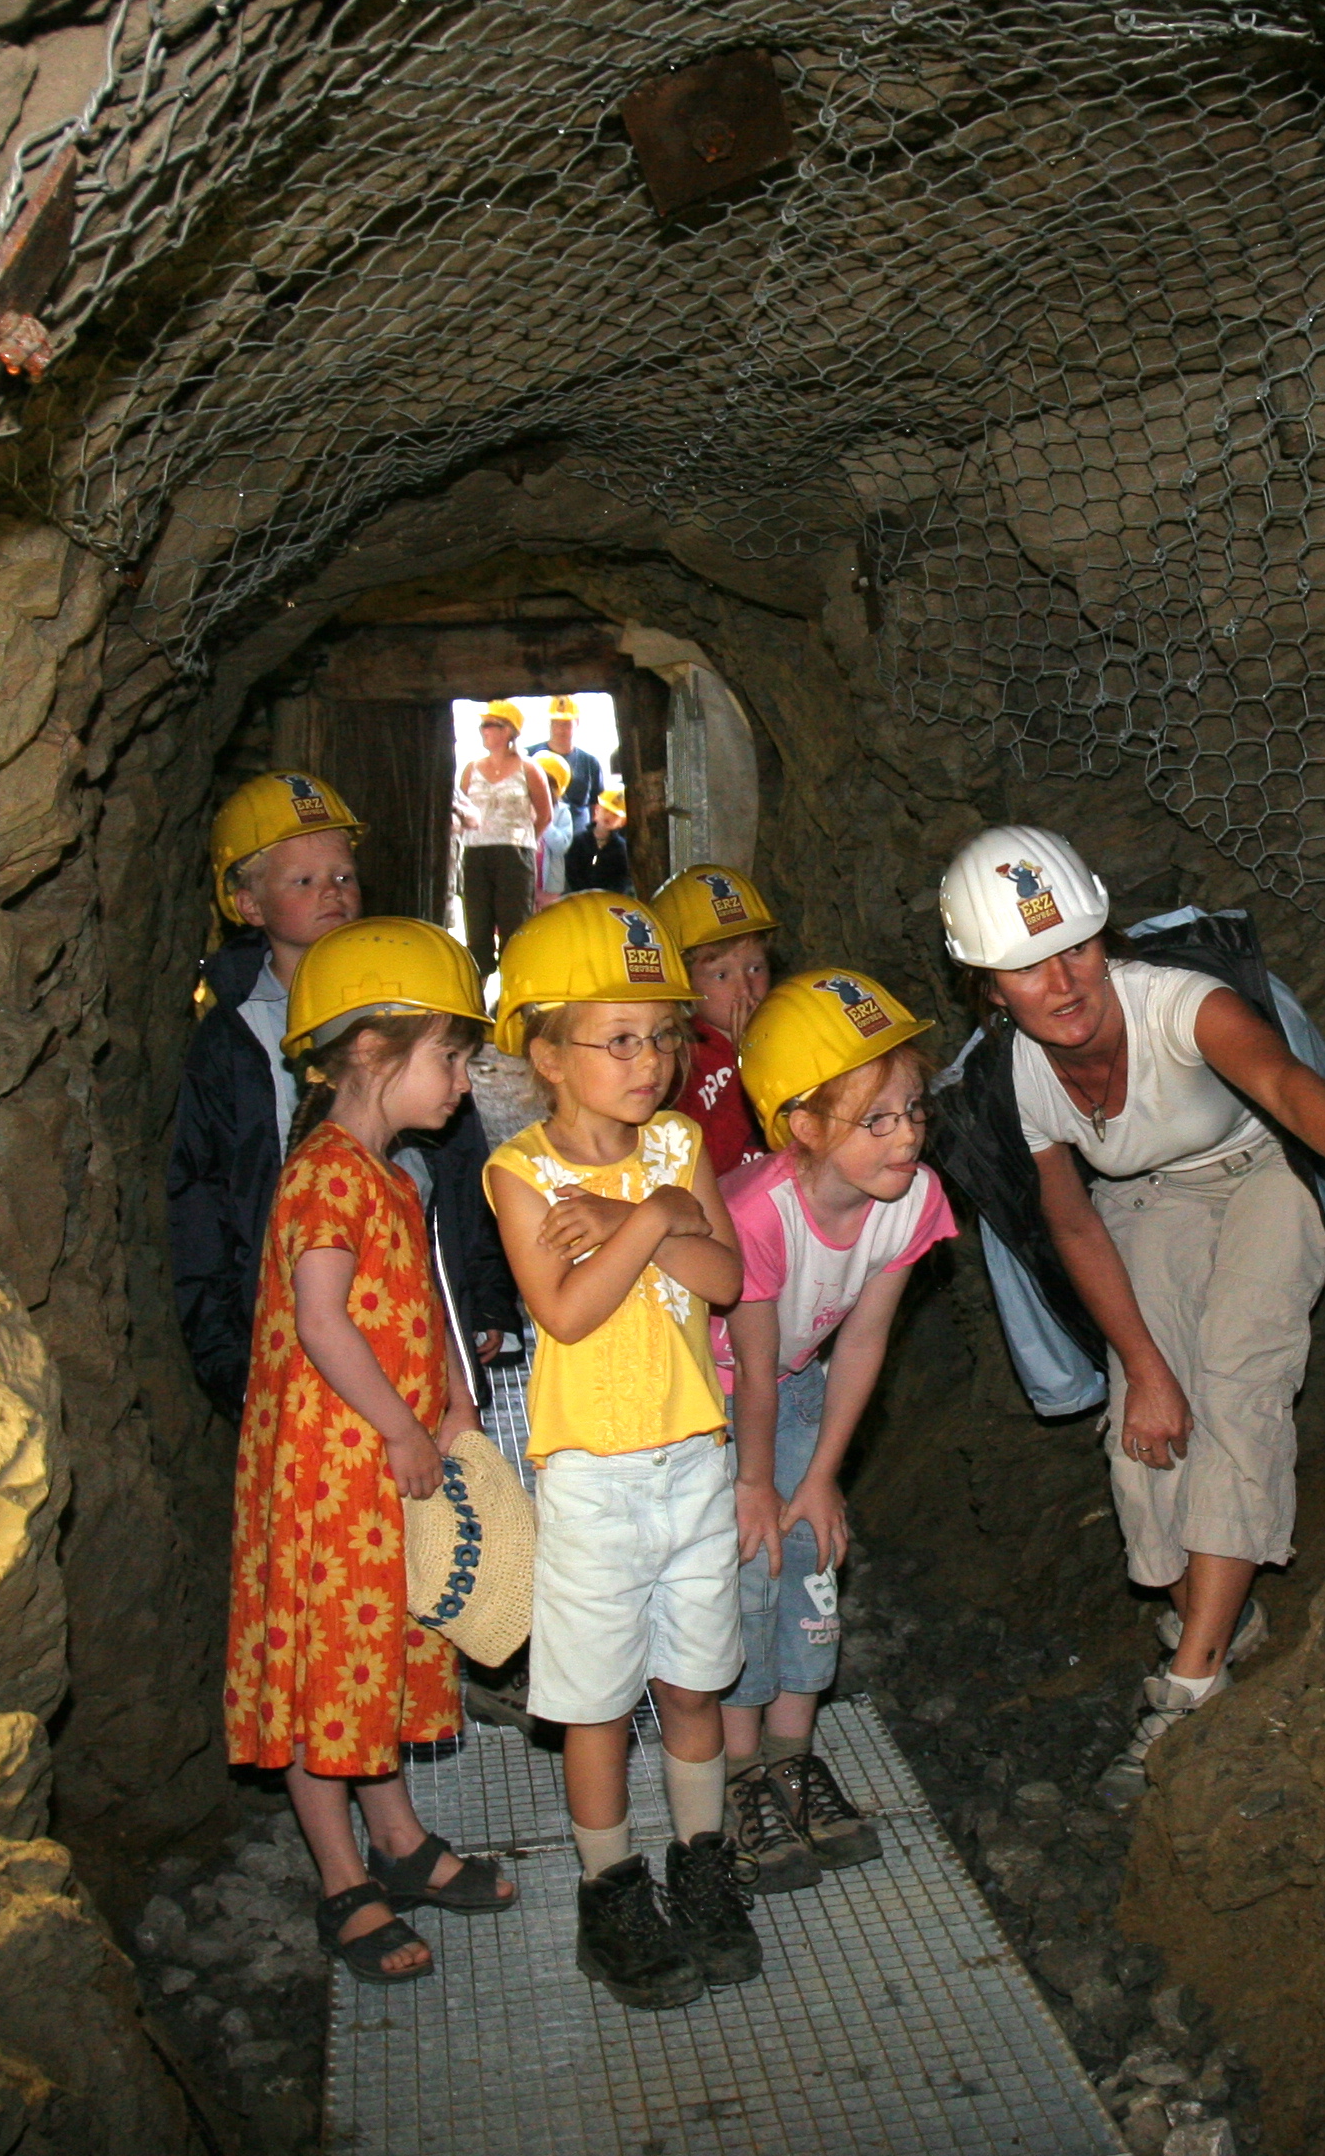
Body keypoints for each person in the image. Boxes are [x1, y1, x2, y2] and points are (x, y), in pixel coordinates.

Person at [932, 827, 1325, 1805]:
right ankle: (1219, 1616)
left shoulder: (1177, 1001)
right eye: (1025, 967)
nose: (1062, 981)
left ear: (1104, 936)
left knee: (1235, 1377)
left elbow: (1280, 1082)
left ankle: (1190, 1683)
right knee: (1146, 1411)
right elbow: (1074, 1223)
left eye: (1076, 947)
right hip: (1149, 1199)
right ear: (987, 985)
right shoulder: (1018, 1075)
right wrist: (1144, 1364)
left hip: (1267, 1166)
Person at [227, 918, 518, 1987]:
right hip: (325, 1469)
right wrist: (401, 1425)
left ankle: (396, 1838)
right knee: (322, 1671)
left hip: (379, 1467)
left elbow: (421, 1301)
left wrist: (451, 1401)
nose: (460, 1079)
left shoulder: (394, 1175)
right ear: (370, 1052)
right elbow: (322, 1319)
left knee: (377, 1651)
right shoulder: (325, 1175)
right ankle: (342, 1873)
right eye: (448, 1054)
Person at [481, 892, 755, 2011]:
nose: (651, 1062)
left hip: (694, 1455)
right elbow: (570, 1309)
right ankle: (613, 1892)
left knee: (693, 1682)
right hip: (593, 1476)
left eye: (664, 1036)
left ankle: (703, 1865)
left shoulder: (683, 1142)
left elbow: (731, 1278)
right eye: (620, 1039)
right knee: (594, 1704)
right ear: (547, 1053)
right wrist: (652, 1222)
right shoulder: (518, 1174)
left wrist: (640, 1211)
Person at [171, 772, 519, 1427]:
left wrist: (488, 1293)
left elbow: (463, 1162)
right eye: (303, 881)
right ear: (247, 903)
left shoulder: (408, 1000)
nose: (332, 892)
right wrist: (223, 1355)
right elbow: (200, 1197)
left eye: (343, 877)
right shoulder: (231, 1038)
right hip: (294, 1327)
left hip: (414, 1305)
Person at [712, 968, 954, 1889]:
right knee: (750, 1572)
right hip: (720, 1407)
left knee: (811, 1563)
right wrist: (759, 1485)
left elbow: (865, 1341)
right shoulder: (756, 1214)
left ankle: (790, 1757)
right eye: (877, 1120)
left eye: (914, 1111)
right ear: (804, 1125)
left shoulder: (913, 1200)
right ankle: (739, 1775)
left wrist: (819, 1479)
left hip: (799, 1388)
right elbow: (752, 1373)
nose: (907, 1136)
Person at [652, 863, 780, 1179]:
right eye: (721, 975)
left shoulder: (789, 1030)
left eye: (755, 969)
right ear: (682, 981)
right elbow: (697, 1165)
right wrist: (746, 1069)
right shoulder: (679, 1058)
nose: (745, 990)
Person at [452, 703, 551, 969]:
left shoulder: (529, 768)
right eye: (482, 725)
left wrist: (522, 841)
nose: (482, 731)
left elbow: (544, 814)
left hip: (514, 855)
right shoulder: (471, 769)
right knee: (477, 926)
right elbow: (461, 808)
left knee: (514, 926)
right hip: (475, 853)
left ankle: (514, 994)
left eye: (488, 725)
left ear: (508, 730)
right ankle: (478, 994)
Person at [547, 693, 607, 839]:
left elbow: (596, 805)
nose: (561, 729)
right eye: (557, 723)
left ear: (577, 723)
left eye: (567, 724)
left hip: (579, 840)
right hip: (545, 840)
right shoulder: (532, 756)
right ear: (550, 723)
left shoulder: (590, 763)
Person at [569, 788, 635, 895]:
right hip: (578, 899)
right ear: (597, 810)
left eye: (615, 815)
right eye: (606, 810)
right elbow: (571, 871)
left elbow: (623, 879)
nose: (608, 816)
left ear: (622, 822)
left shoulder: (621, 849)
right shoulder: (580, 841)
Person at [532, 748, 577, 905]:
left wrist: (545, 820)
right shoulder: (519, 807)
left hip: (550, 885)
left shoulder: (562, 812)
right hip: (523, 878)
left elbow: (561, 846)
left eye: (546, 784)